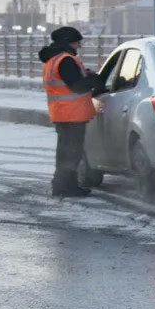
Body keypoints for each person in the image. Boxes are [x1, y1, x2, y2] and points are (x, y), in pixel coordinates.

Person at [38, 26, 107, 198]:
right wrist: (93, 80)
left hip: (62, 114)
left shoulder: (53, 59)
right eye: (77, 42)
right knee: (71, 153)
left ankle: (61, 185)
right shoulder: (65, 60)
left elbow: (69, 81)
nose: (79, 46)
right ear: (68, 42)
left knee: (65, 152)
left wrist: (86, 76)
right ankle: (67, 187)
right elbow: (76, 86)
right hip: (72, 115)